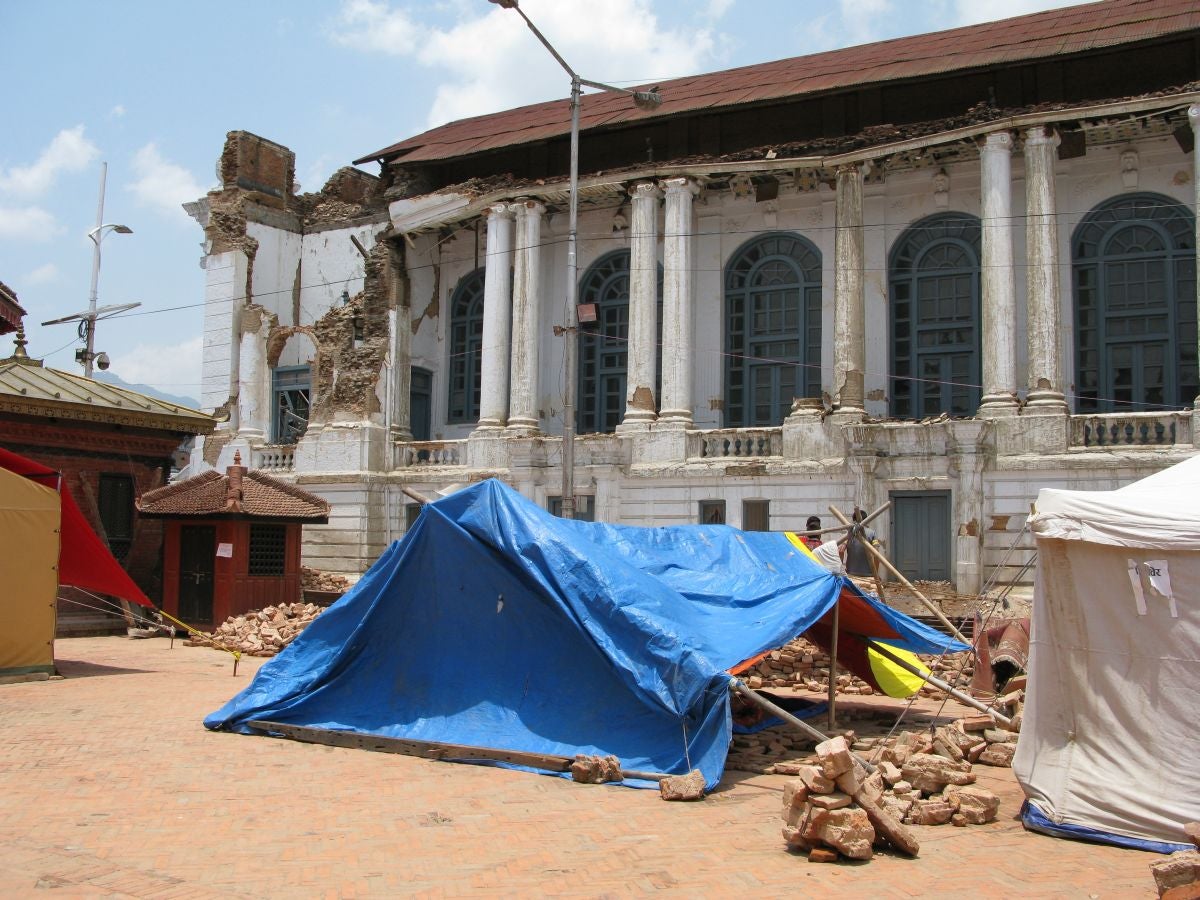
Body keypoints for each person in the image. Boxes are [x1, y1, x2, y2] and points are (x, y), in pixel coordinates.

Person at [844, 507, 881, 578]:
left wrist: (841, 569)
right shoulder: (872, 533)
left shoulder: (849, 534)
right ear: (866, 520)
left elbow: (841, 550)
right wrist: (875, 573)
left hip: (851, 573)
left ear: (853, 520)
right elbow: (876, 555)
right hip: (868, 574)